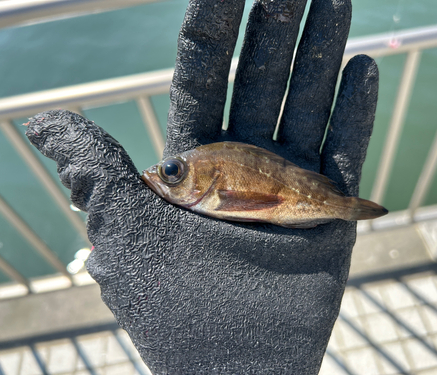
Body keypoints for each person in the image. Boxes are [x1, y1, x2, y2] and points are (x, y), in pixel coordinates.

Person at [26, 0, 378, 373]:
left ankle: (343, 205)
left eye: (173, 172)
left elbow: (257, 200)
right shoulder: (206, 184)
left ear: (209, 176)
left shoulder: (218, 184)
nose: (159, 176)